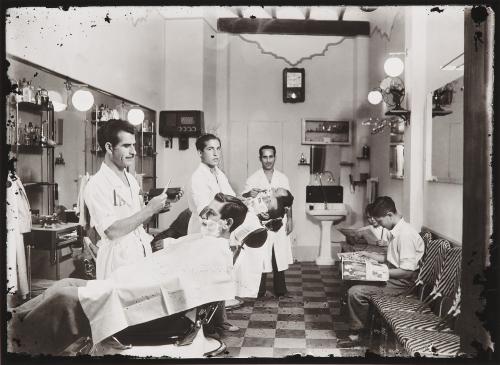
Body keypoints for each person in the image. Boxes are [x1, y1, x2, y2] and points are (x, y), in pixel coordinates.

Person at [8, 194, 262, 356]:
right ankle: (10, 326)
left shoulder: (216, 254)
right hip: (133, 288)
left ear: (228, 224)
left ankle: (16, 349)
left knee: (64, 297)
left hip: (150, 310)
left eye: (211, 214)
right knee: (65, 283)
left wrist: (123, 287)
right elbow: (169, 265)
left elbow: (178, 288)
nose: (204, 217)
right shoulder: (203, 241)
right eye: (205, 211)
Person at [83, 119, 173, 279]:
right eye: (126, 146)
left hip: (140, 254)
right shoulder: (97, 184)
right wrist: (149, 209)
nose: (134, 151)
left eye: (133, 145)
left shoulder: (130, 179)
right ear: (109, 147)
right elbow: (112, 230)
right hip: (117, 262)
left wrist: (157, 208)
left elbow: (137, 219)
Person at [342, 196, 425, 344]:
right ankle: (362, 327)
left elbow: (407, 272)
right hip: (392, 276)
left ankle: (356, 335)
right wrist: (368, 256)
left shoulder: (405, 235)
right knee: (352, 277)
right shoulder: (395, 231)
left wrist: (375, 271)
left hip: (402, 284)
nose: (380, 225)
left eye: (380, 221)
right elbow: (390, 258)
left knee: (355, 291)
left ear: (389, 215)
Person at [242, 145, 294, 297]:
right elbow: (245, 201)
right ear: (260, 158)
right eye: (265, 157)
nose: (268, 160)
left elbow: (288, 201)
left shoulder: (283, 178)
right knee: (261, 255)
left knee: (280, 254)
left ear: (275, 157)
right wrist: (248, 194)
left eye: (271, 156)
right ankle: (259, 289)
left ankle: (280, 288)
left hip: (279, 221)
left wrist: (290, 219)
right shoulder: (253, 178)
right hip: (261, 223)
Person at [187, 134, 235, 234]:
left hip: (220, 227)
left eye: (218, 149)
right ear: (200, 153)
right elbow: (205, 212)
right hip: (203, 231)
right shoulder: (198, 177)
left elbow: (231, 197)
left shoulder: (219, 173)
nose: (216, 153)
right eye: (210, 149)